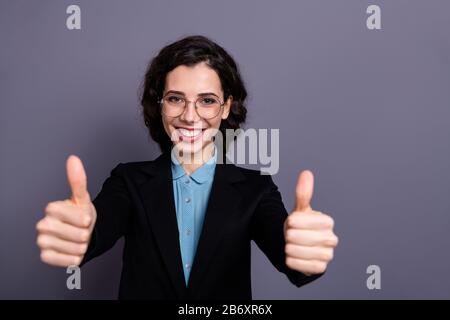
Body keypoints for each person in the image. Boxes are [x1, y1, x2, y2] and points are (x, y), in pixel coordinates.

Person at [35, 35, 338, 299]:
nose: (190, 117)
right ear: (160, 104)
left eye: (206, 100)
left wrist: (303, 251)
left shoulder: (256, 188)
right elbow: (96, 230)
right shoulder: (128, 180)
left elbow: (292, 258)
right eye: (176, 98)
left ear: (226, 107)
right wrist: (81, 231)